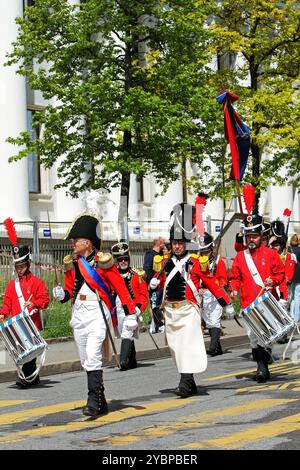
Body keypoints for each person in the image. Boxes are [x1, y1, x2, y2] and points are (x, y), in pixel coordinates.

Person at [53, 214, 137, 418]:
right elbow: (69, 291)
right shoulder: (73, 263)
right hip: (79, 313)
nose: (72, 243)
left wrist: (130, 313)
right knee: (85, 359)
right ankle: (101, 402)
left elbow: (120, 287)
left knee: (92, 355)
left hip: (97, 313)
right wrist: (61, 294)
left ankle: (92, 402)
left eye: (76, 240)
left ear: (88, 243)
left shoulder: (103, 262)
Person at [149, 203, 230, 398]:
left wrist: (224, 302)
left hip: (189, 309)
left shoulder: (195, 262)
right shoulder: (164, 263)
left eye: (180, 243)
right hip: (170, 310)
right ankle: (190, 382)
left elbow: (210, 282)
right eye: (174, 243)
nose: (177, 246)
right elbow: (159, 283)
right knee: (176, 348)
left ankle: (184, 383)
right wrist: (153, 282)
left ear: (186, 244)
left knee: (187, 345)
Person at [229, 214, 285, 383]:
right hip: (248, 304)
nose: (251, 239)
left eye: (254, 236)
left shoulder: (271, 254)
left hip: (267, 302)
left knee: (266, 337)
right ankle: (262, 366)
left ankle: (261, 367)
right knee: (254, 338)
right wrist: (233, 289)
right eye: (249, 236)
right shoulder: (240, 257)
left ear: (261, 236)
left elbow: (280, 274)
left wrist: (272, 280)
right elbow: (234, 277)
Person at [0, 245, 50, 389]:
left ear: (28, 264)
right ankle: (33, 378)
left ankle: (26, 378)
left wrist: (33, 303)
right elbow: (7, 305)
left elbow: (45, 300)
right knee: (25, 352)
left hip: (31, 323)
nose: (19, 269)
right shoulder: (11, 285)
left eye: (22, 265)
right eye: (17, 266)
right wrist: (2, 314)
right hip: (17, 325)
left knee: (29, 351)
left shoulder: (36, 282)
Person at [111, 241, 149, 371]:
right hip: (118, 310)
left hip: (132, 310)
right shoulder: (112, 275)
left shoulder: (137, 274)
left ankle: (123, 361)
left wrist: (138, 309)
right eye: (120, 259)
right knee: (124, 333)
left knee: (127, 332)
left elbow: (144, 296)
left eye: (125, 259)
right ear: (116, 260)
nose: (123, 262)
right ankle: (132, 360)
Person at [198, 233, 228, 356]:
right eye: (202, 252)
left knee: (215, 320)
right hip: (203, 295)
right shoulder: (197, 263)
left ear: (211, 250)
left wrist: (213, 284)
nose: (204, 254)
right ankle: (218, 348)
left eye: (206, 252)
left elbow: (223, 280)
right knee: (209, 320)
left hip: (215, 295)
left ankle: (213, 348)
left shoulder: (218, 263)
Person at [143, 237, 166, 333]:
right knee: (154, 305)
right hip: (153, 285)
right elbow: (147, 269)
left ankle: (160, 324)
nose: (165, 245)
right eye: (163, 243)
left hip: (162, 285)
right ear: (159, 244)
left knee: (160, 305)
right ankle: (155, 325)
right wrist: (149, 282)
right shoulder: (150, 254)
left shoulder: (162, 254)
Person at [288, 234, 300, 322]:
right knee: (297, 296)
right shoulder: (299, 250)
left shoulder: (288, 250)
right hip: (299, 275)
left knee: (291, 296)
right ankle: (296, 318)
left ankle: (291, 315)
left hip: (290, 275)